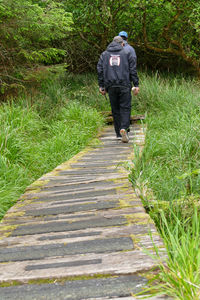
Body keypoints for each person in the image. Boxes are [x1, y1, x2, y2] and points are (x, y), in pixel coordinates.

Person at [97, 36, 139, 143]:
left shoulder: (104, 54)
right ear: (122, 44)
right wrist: (136, 84)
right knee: (125, 108)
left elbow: (100, 70)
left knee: (115, 109)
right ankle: (124, 128)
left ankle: (118, 134)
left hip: (110, 86)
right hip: (124, 85)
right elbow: (132, 69)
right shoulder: (127, 53)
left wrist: (101, 86)